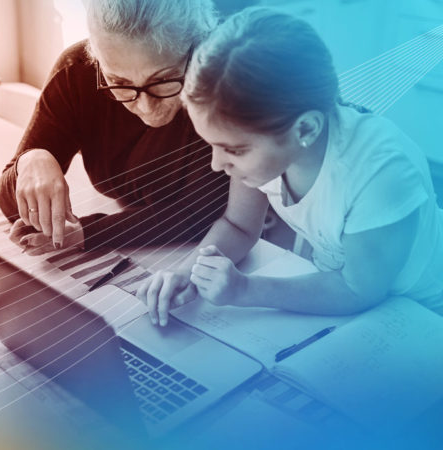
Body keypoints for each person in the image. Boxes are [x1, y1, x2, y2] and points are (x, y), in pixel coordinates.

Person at [138, 8, 443, 325]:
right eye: (212, 144)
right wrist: (186, 273)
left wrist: (245, 290)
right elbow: (239, 225)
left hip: (421, 310)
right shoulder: (268, 145)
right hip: (338, 283)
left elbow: (357, 289)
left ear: (306, 129)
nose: (216, 164)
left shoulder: (382, 172)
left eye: (234, 149)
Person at [0, 0, 229, 256]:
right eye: (119, 81)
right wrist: (30, 161)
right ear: (95, 56)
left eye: (163, 80)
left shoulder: (220, 84)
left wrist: (86, 232)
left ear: (199, 47)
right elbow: (10, 204)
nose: (145, 106)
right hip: (147, 247)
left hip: (221, 248)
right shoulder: (77, 73)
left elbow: (199, 213)